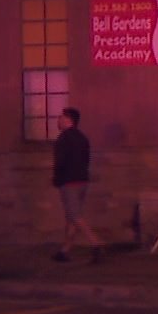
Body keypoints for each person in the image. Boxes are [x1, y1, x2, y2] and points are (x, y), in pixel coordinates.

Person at [51, 107, 104, 262]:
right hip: (82, 180)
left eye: (61, 118)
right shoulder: (83, 138)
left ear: (68, 120)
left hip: (69, 182)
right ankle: (65, 250)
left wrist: (57, 178)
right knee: (71, 217)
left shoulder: (63, 139)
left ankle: (96, 243)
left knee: (74, 215)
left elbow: (60, 162)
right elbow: (86, 159)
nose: (58, 121)